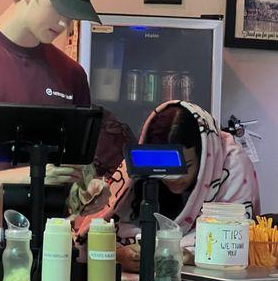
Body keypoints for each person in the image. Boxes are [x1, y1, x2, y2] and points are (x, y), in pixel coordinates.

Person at [0, 0, 103, 224]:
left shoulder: (71, 74)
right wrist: (31, 175)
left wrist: (87, 193)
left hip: (52, 248)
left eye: (71, 13)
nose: (63, 21)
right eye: (58, 7)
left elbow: (78, 172)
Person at [73, 100, 260, 272]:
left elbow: (229, 242)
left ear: (205, 158)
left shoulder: (233, 166)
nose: (173, 178)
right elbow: (104, 222)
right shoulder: (142, 161)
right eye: (165, 168)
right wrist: (117, 254)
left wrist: (181, 253)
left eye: (186, 166)